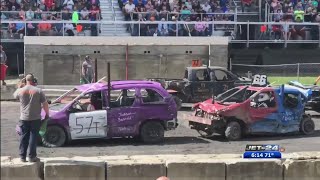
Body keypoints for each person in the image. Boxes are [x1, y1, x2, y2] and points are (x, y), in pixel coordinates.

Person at [13, 74, 49, 162]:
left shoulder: (20, 90)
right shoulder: (38, 91)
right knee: (33, 137)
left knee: (23, 137)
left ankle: (22, 157)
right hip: (35, 118)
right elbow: (45, 104)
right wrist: (47, 114)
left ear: (25, 81)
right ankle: (32, 157)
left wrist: (19, 86)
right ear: (33, 80)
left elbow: (14, 95)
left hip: (24, 118)